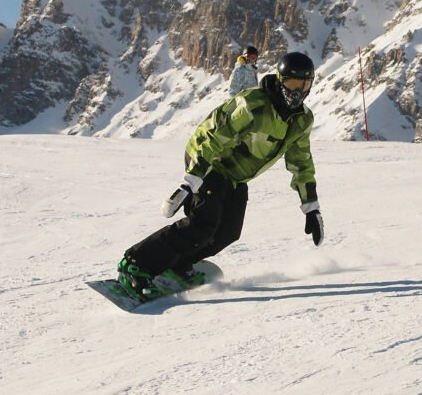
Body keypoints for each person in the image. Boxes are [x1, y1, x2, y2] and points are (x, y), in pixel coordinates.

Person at [115, 51, 324, 300]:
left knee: (228, 232)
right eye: (292, 83)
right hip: (209, 158)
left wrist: (311, 207)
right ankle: (136, 264)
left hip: (235, 174)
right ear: (280, 80)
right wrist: (190, 183)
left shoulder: (302, 120)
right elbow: (216, 140)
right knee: (202, 224)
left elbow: (301, 162)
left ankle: (179, 263)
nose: (298, 91)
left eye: (304, 84)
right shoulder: (253, 105)